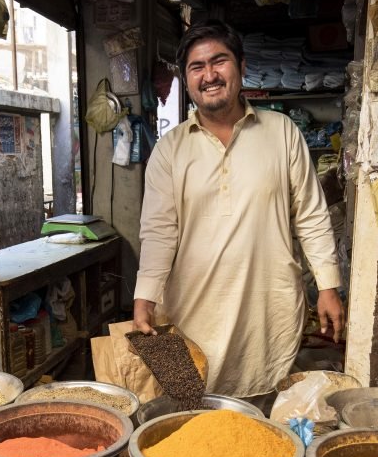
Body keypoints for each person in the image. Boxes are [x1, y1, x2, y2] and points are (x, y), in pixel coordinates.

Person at [132, 20, 345, 400]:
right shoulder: (170, 149)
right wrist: (144, 298)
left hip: (267, 311)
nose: (209, 75)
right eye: (197, 67)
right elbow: (158, 232)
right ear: (187, 78)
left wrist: (327, 286)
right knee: (192, 416)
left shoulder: (282, 133)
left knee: (260, 418)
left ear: (242, 67)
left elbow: (311, 215)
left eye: (219, 62)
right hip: (193, 310)